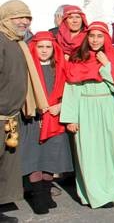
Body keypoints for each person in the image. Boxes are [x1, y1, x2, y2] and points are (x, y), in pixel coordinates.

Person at [62, 21, 114, 209]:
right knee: (89, 152)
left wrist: (106, 63)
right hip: (85, 106)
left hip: (106, 105)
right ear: (86, 37)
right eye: (92, 36)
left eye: (100, 36)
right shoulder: (77, 57)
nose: (95, 40)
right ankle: (96, 194)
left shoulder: (111, 57)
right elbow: (71, 89)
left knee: (109, 150)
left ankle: (113, 189)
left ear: (106, 38)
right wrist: (71, 118)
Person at [1, 1, 50, 219]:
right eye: (18, 17)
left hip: (10, 117)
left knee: (6, 167)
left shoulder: (18, 42)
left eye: (27, 17)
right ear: (5, 19)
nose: (24, 21)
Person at [21, 31, 73, 215]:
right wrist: (34, 106)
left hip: (55, 118)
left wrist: (60, 105)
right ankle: (38, 196)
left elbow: (70, 90)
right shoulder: (27, 67)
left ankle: (46, 192)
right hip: (33, 119)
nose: (44, 51)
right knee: (34, 157)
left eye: (48, 47)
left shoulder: (59, 67)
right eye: (40, 47)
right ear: (34, 48)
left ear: (53, 49)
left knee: (50, 157)